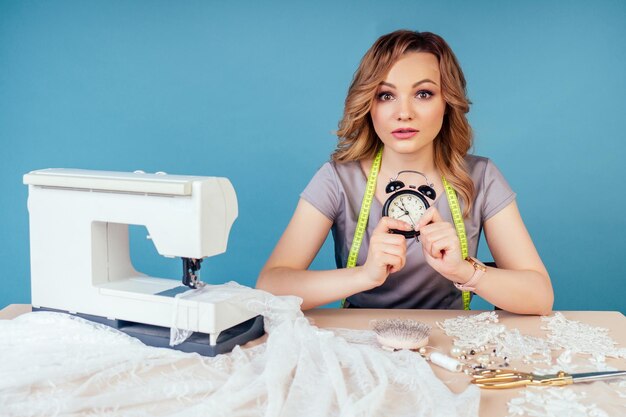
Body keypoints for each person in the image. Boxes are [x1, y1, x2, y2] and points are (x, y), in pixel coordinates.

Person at [256, 30, 553, 315]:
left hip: (448, 343)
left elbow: (540, 297)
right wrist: (365, 276)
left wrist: (465, 271)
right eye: (386, 95)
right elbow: (269, 288)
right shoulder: (337, 180)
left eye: (423, 94)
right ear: (368, 104)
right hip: (362, 342)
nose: (404, 112)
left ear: (447, 102)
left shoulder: (481, 177)